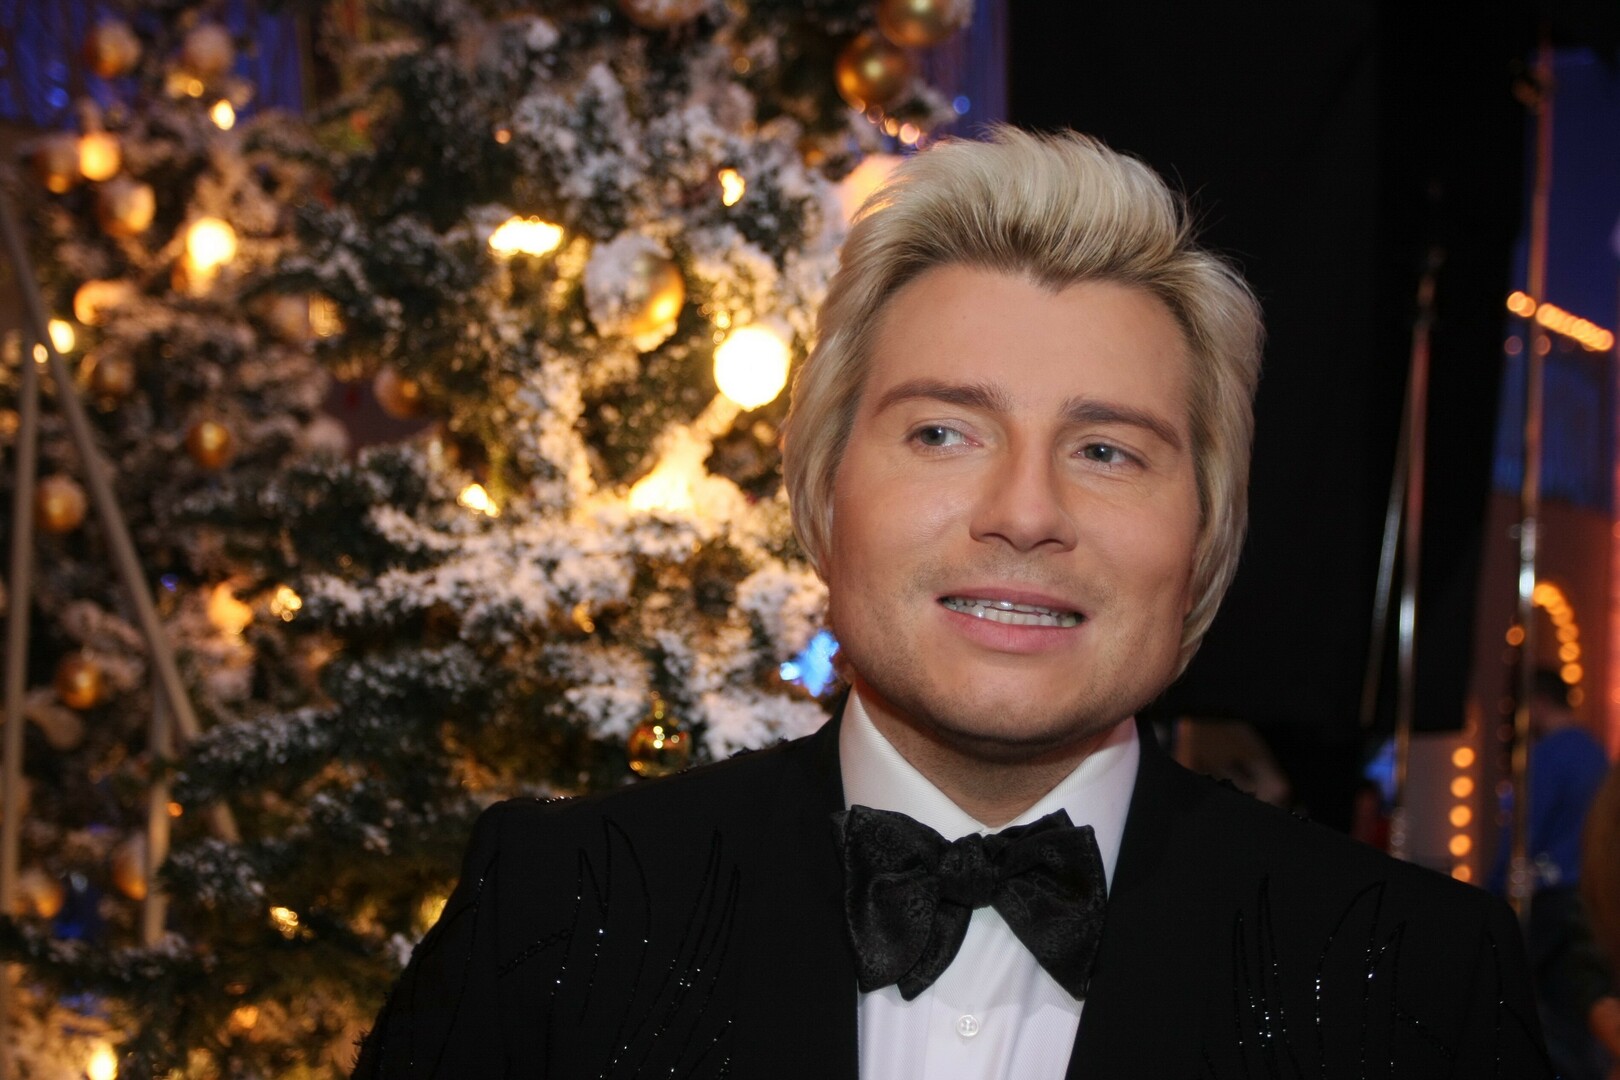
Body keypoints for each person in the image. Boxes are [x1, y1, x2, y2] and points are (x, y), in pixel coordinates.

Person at [353, 127, 1549, 1078]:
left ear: (1207, 538)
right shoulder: (558, 912)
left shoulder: (1419, 978)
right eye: (942, 432)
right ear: (823, 493)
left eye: (1108, 451)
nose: (1025, 512)